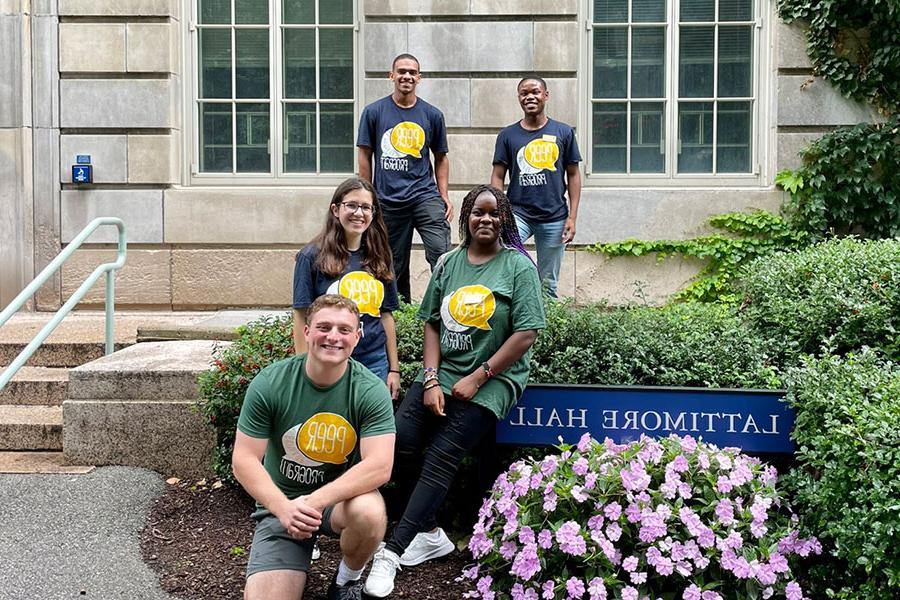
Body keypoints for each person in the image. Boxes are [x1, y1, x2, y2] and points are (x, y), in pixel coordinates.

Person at [363, 185, 546, 598]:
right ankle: (428, 533)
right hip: (443, 373)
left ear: (504, 220)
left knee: (442, 456)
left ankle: (391, 553)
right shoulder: (448, 263)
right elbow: (430, 322)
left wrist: (479, 376)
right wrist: (430, 379)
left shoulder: (518, 267)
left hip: (493, 381)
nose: (486, 219)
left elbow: (526, 333)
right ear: (465, 217)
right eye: (478, 213)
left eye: (494, 213)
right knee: (399, 444)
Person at [232, 295, 396, 600]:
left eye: (344, 330)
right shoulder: (271, 382)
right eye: (324, 327)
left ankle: (347, 582)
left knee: (370, 512)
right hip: (282, 505)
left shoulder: (370, 390)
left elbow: (379, 466)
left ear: (357, 337)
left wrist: (314, 502)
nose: (333, 336)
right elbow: (244, 459)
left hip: (338, 502)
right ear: (307, 332)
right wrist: (284, 509)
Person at [293, 177, 401, 400]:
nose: (358, 213)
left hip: (374, 361)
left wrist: (394, 369)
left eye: (366, 207)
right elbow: (301, 315)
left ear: (373, 213)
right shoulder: (310, 257)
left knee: (370, 428)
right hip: (327, 358)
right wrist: (303, 368)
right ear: (335, 209)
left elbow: (386, 315)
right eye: (351, 205)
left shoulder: (380, 256)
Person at [357, 53, 452, 303]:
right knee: (392, 264)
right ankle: (401, 316)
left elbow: (441, 157)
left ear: (419, 78)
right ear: (392, 76)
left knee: (441, 253)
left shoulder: (432, 115)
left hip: (424, 196)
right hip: (387, 200)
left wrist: (444, 196)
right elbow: (365, 155)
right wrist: (367, 197)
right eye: (401, 71)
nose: (407, 76)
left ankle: (443, 308)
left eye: (412, 72)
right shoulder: (374, 112)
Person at [491, 76, 582, 299]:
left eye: (535, 92)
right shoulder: (507, 135)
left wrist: (572, 217)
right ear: (519, 98)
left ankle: (545, 329)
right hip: (517, 214)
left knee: (548, 284)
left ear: (545, 96)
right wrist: (499, 212)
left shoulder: (563, 132)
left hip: (554, 217)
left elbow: (573, 175)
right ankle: (510, 312)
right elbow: (497, 176)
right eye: (524, 93)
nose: (530, 96)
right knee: (502, 259)